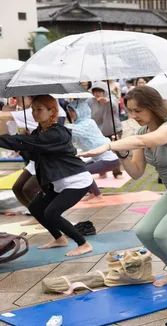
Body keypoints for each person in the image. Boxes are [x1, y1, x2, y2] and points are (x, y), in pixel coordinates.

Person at [79, 86, 167, 292]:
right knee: (144, 232)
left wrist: (108, 146)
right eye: (130, 111)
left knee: (163, 234)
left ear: (153, 108)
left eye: (138, 111)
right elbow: (136, 172)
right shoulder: (142, 132)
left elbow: (144, 141)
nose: (133, 116)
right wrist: (123, 153)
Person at [0, 95, 93, 256]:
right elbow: (33, 157)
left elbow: (25, 142)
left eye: (40, 109)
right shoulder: (39, 132)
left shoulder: (57, 132)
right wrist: (29, 142)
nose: (35, 113)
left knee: (51, 213)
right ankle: (59, 238)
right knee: (35, 208)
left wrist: (28, 141)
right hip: (58, 182)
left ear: (52, 111)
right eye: (33, 110)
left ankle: (83, 244)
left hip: (76, 180)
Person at [66, 99, 121, 203]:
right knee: (79, 169)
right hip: (99, 158)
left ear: (81, 111)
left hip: (109, 160)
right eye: (69, 110)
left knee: (82, 172)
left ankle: (98, 195)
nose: (70, 113)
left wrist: (52, 127)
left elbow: (69, 131)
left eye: (72, 110)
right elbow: (69, 136)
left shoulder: (87, 124)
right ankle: (92, 193)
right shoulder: (81, 124)